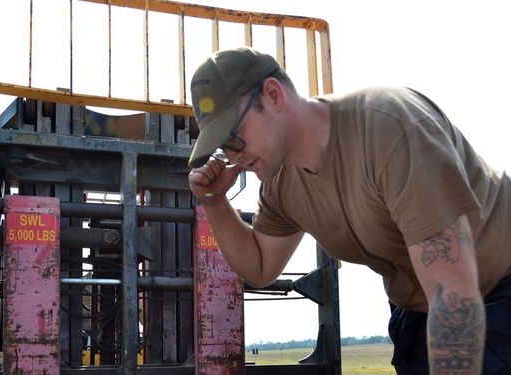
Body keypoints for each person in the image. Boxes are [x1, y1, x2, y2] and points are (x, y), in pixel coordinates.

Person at [187, 46, 511, 374]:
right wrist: (213, 201)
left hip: (497, 292)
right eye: (222, 148)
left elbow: (453, 294)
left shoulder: (390, 129)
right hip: (420, 313)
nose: (234, 156)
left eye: (234, 136)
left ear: (273, 95)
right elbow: (259, 268)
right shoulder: (279, 182)